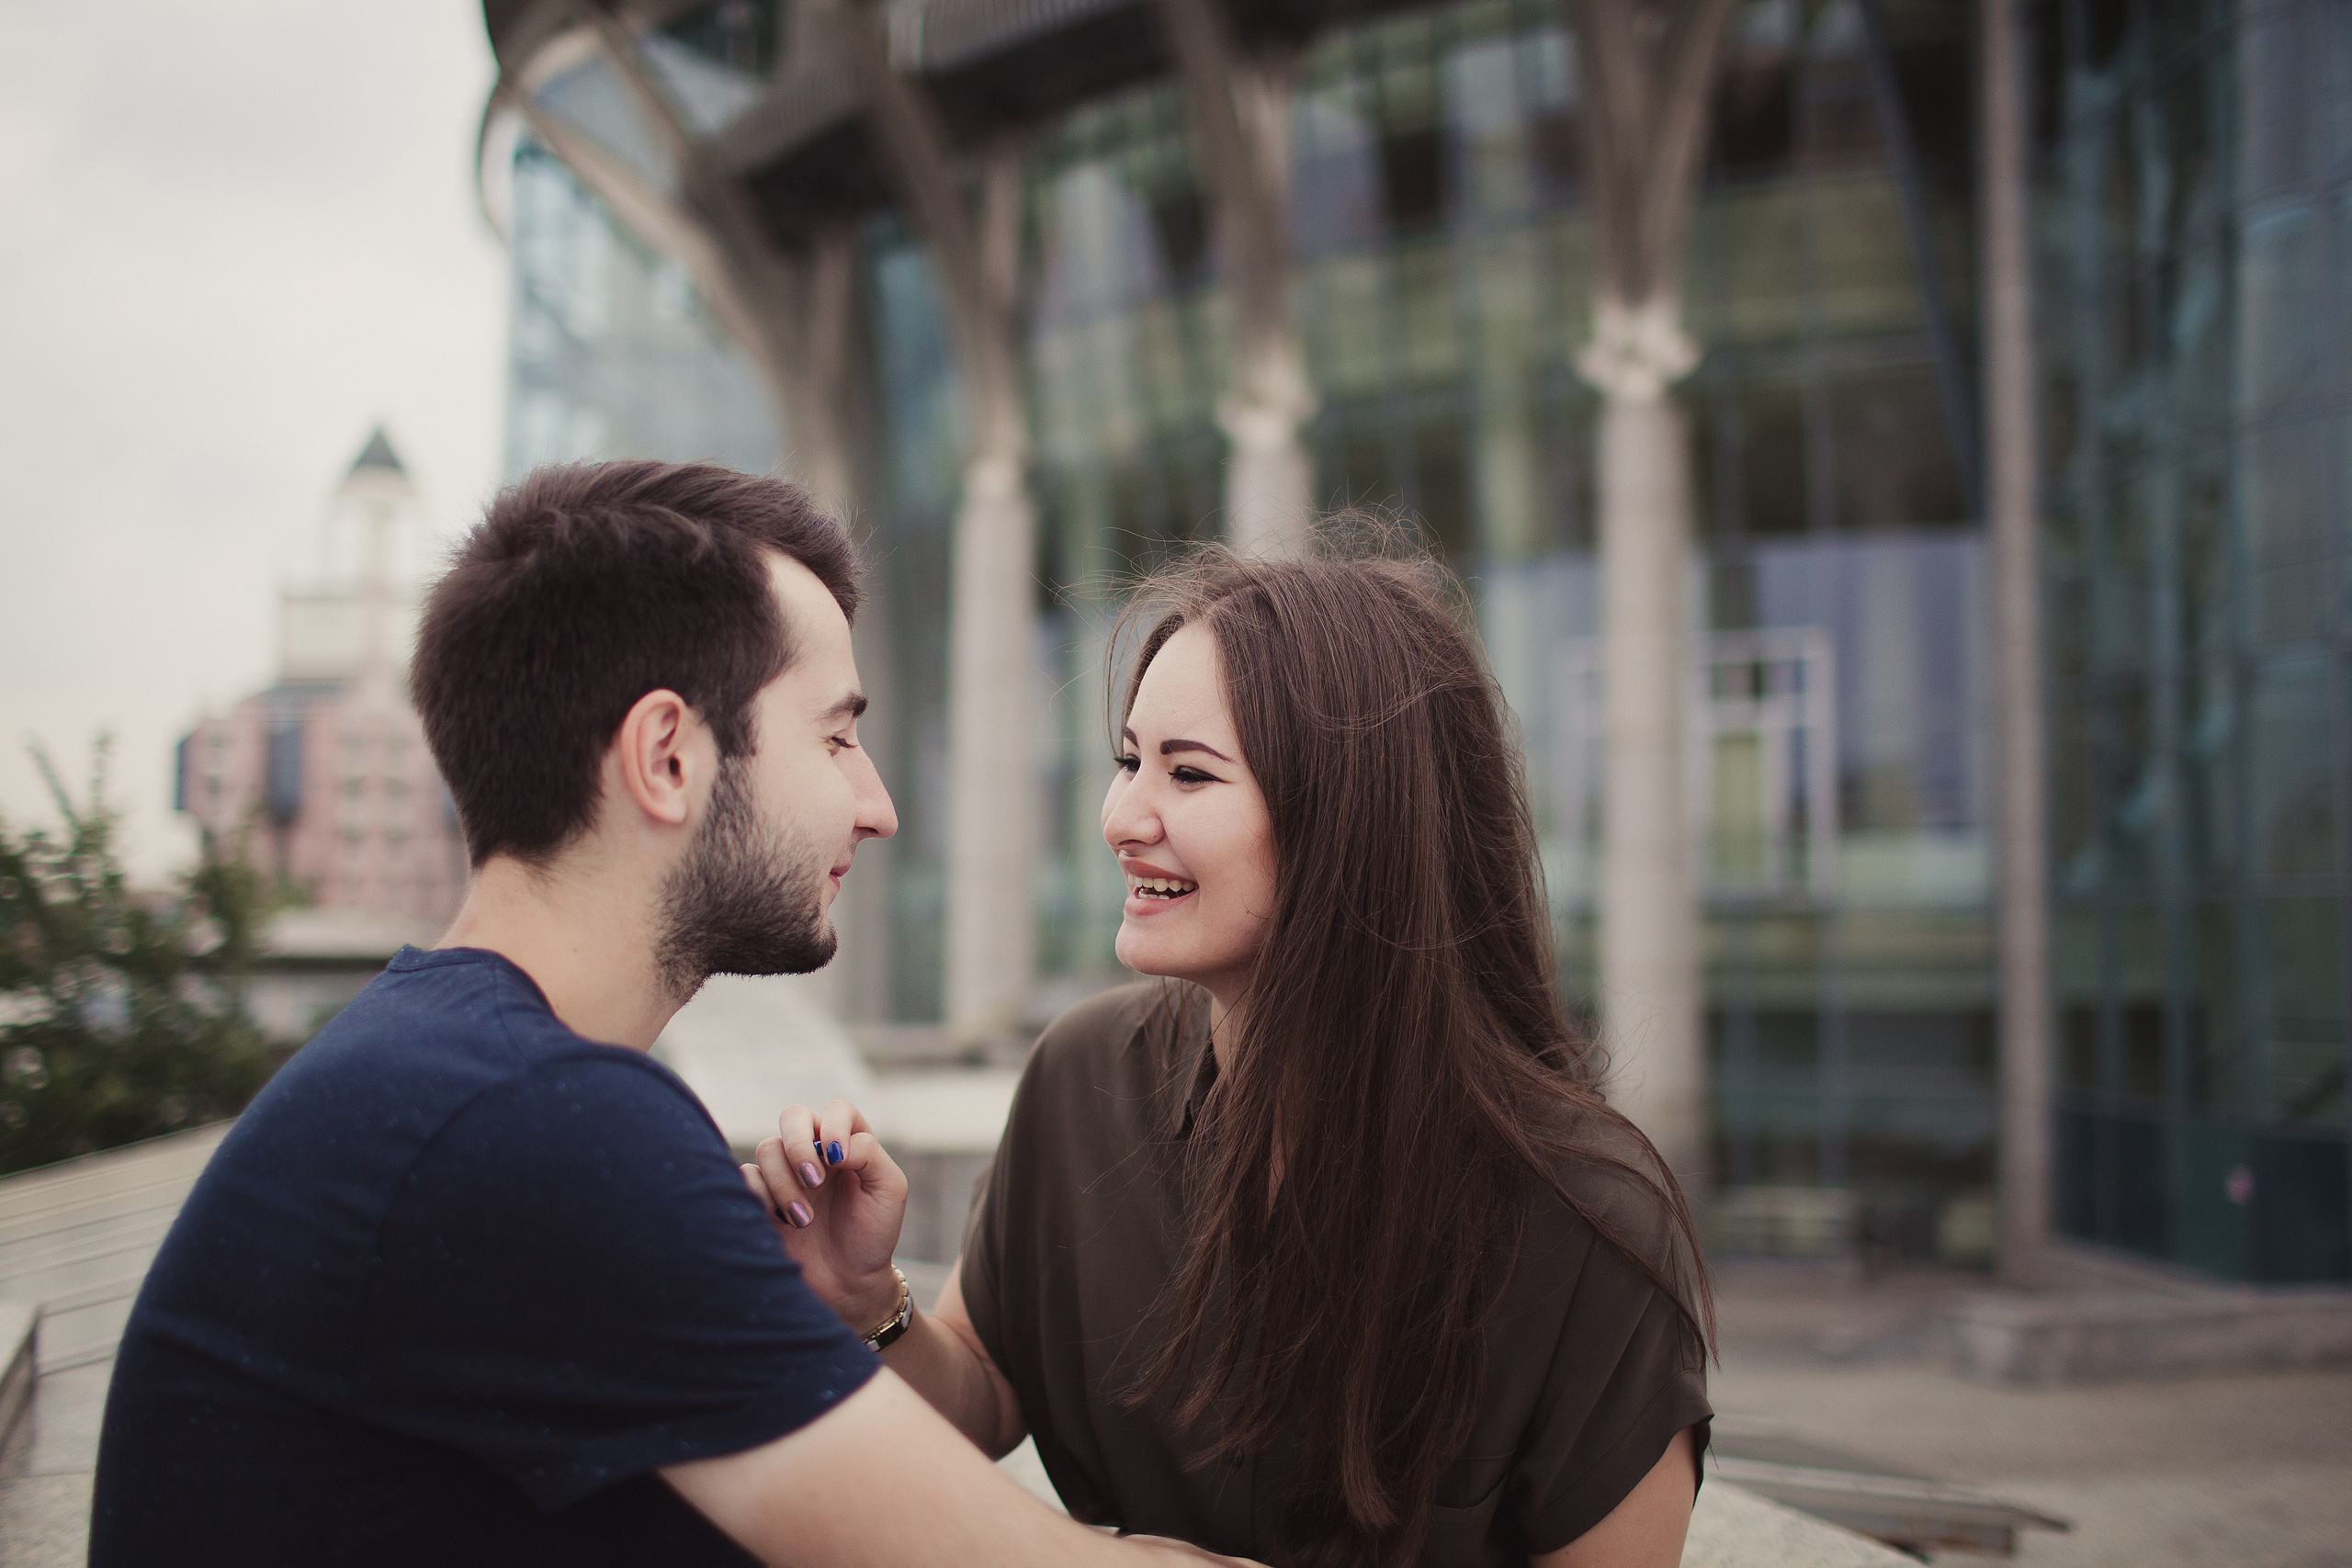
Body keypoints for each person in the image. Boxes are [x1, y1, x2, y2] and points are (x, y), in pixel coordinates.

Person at [90, 461, 1252, 1568]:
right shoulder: (529, 1122)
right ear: (666, 757)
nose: (878, 805)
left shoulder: (457, 1071)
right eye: (836, 736)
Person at [756, 536, 1714, 1568]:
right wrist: (867, 1301)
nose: (1121, 817)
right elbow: (983, 1396)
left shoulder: (1587, 1220)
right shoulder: (1082, 1078)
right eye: (1129, 761)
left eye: (1189, 774)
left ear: (1352, 818)